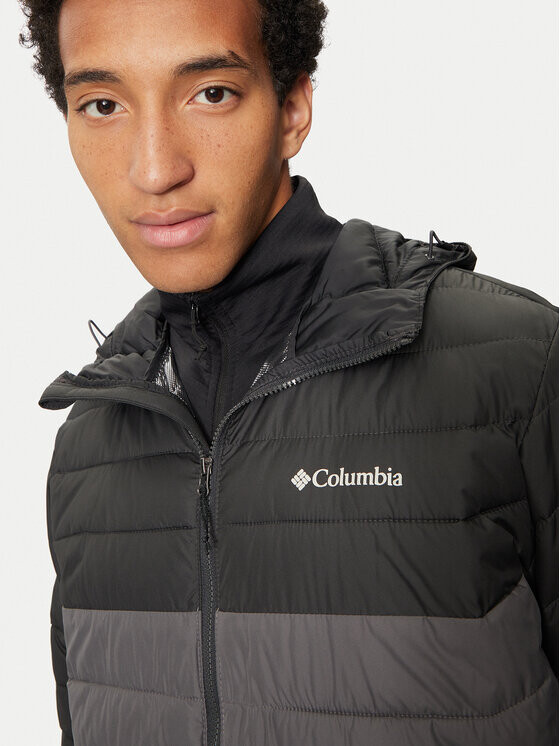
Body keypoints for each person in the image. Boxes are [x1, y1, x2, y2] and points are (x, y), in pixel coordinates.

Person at [20, 0, 558, 744]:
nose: (154, 169)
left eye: (211, 93)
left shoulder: (513, 365)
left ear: (293, 109)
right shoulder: (91, 440)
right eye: (103, 105)